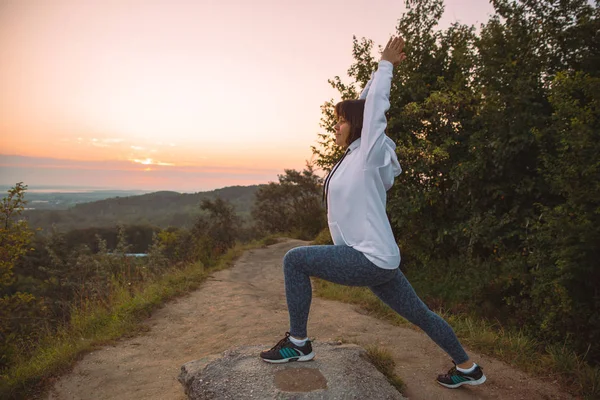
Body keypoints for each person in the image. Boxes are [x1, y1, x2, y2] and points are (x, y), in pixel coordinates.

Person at [259, 35, 486, 389]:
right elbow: (366, 104)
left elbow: (374, 110)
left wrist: (386, 66)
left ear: (357, 127)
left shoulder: (368, 154)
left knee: (294, 260)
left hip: (366, 258)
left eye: (340, 120)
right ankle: (468, 368)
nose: (335, 125)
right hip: (380, 259)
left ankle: (298, 343)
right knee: (421, 315)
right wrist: (372, 77)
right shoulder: (355, 155)